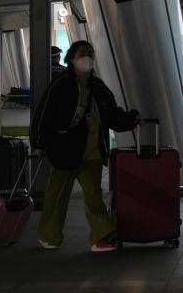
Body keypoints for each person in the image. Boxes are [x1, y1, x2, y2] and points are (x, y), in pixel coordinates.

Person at [31, 41, 141, 252]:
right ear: (71, 58)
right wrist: (38, 143)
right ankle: (49, 235)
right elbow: (42, 115)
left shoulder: (98, 88)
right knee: (57, 195)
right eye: (82, 54)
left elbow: (112, 115)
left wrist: (131, 119)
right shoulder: (60, 85)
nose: (87, 57)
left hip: (92, 152)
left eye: (90, 53)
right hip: (64, 149)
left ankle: (100, 237)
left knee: (94, 196)